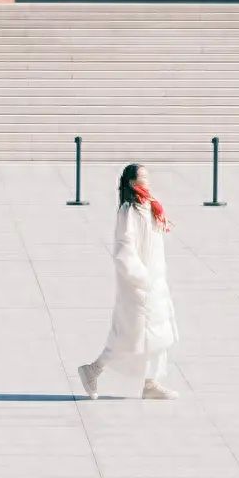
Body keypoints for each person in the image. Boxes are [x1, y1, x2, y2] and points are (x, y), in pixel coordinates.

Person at [78, 164, 179, 401]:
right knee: (127, 338)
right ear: (132, 183)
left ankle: (151, 383)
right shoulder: (129, 211)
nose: (147, 182)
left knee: (159, 336)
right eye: (143, 178)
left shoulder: (151, 206)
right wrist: (141, 278)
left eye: (148, 177)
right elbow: (124, 249)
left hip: (156, 285)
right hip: (139, 287)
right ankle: (92, 370)